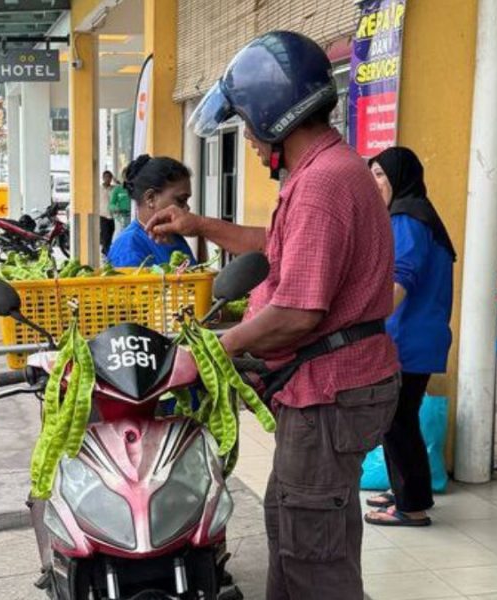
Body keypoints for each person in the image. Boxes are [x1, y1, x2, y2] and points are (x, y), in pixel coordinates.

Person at [146, 31, 399, 600]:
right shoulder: (324, 173)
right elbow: (282, 246)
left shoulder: (323, 184)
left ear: (273, 118)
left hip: (329, 393)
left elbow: (297, 313)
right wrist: (201, 227)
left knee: (314, 553)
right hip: (324, 389)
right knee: (292, 524)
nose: (252, 145)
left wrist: (211, 349)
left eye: (249, 127)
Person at [363, 147, 456, 528]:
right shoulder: (422, 216)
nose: (375, 183)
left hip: (408, 338)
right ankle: (411, 491)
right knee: (402, 418)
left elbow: (402, 277)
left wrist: (370, 322)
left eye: (381, 175)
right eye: (372, 175)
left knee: (397, 420)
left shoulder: (406, 218)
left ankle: (411, 506)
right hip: (421, 335)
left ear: (401, 179)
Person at [107, 155, 196, 268]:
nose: (187, 208)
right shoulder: (129, 247)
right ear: (151, 198)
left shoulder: (173, 237)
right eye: (181, 200)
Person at [99, 170, 116, 257]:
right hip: (103, 214)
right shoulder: (99, 189)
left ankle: (105, 250)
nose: (108, 179)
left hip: (112, 215)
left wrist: (118, 182)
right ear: (103, 178)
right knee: (105, 234)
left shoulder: (114, 188)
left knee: (111, 233)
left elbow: (123, 188)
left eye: (109, 177)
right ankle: (106, 251)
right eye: (106, 177)